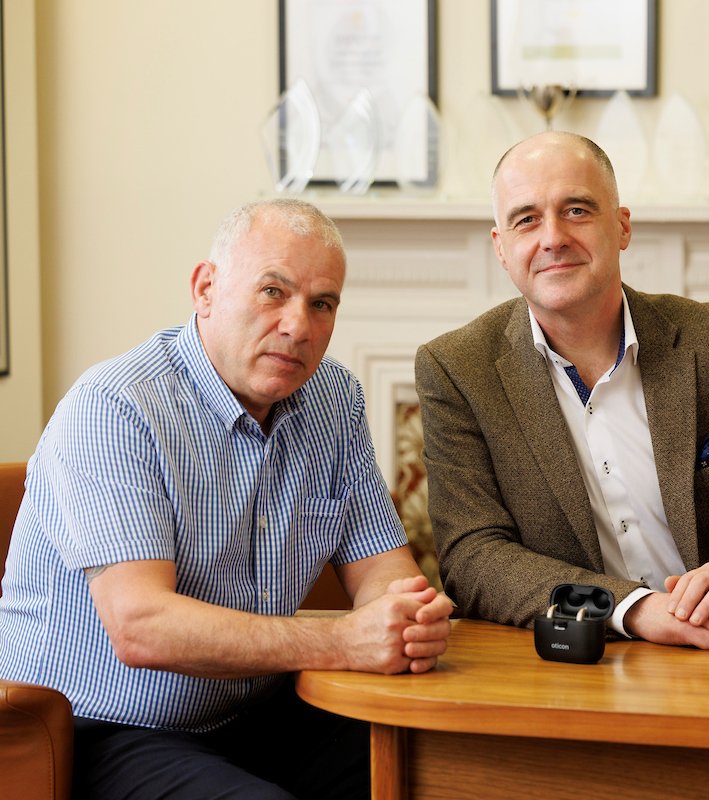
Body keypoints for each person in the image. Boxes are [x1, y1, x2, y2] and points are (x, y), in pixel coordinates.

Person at [0, 199, 452, 799]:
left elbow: (383, 569)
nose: (299, 326)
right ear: (206, 288)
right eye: (273, 292)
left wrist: (406, 617)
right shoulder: (116, 407)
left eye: (322, 304)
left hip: (258, 714)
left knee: (451, 768)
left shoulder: (333, 398)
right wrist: (346, 641)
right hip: (99, 733)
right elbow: (142, 628)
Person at [415, 132, 709, 649]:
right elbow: (473, 556)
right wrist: (631, 608)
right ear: (501, 248)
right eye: (526, 219)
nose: (552, 237)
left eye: (577, 210)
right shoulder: (457, 369)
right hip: (574, 666)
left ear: (622, 226)